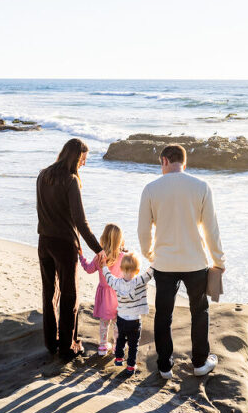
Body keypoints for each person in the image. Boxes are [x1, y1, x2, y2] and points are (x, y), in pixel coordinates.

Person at [138, 144, 225, 379]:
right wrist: (218, 260)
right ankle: (199, 363)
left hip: (164, 263)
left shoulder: (151, 189)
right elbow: (211, 230)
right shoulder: (201, 187)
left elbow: (143, 231)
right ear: (183, 163)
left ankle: (165, 366)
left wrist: (149, 255)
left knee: (163, 315)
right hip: (195, 262)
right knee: (199, 311)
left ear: (165, 161)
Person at [36, 138, 105, 361]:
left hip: (44, 242)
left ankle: (50, 343)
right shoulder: (71, 180)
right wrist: (99, 249)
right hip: (64, 245)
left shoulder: (43, 174)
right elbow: (80, 221)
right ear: (75, 157)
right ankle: (68, 347)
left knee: (49, 293)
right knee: (69, 296)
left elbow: (40, 210)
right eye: (83, 159)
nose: (84, 163)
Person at [102, 253, 154, 374]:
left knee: (120, 339)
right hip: (134, 321)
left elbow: (108, 277)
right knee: (133, 344)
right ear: (137, 270)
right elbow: (149, 274)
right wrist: (154, 261)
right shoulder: (138, 281)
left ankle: (119, 358)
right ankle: (131, 366)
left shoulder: (117, 283)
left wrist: (104, 265)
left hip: (121, 319)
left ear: (121, 269)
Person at [79, 223, 124, 356]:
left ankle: (103, 347)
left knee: (104, 323)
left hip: (104, 296)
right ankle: (117, 346)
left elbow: (88, 269)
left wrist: (81, 257)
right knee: (118, 323)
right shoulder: (122, 257)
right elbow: (130, 273)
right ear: (120, 240)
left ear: (103, 238)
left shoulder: (99, 257)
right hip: (118, 296)